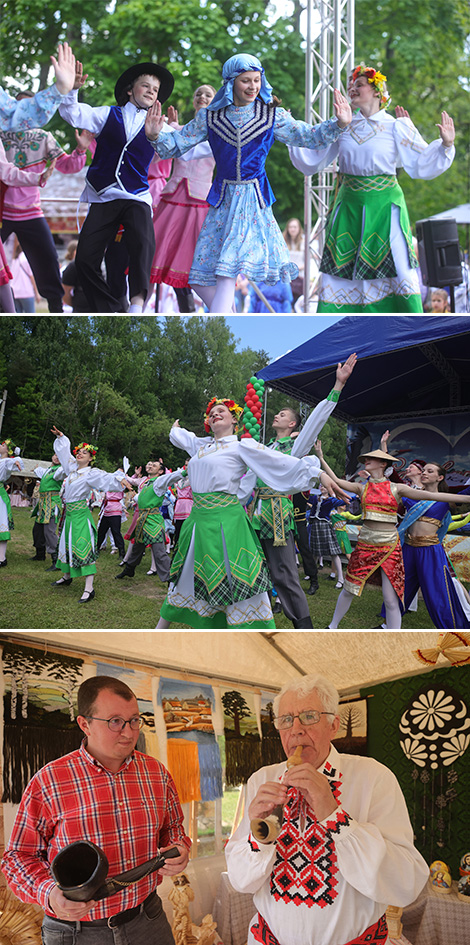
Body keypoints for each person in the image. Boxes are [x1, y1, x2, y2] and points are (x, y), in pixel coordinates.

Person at [225, 673, 428, 945]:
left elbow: (405, 884)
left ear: (334, 725)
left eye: (309, 716)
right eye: (286, 720)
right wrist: (259, 838)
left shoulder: (373, 777)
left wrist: (335, 816)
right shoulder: (261, 779)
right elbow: (240, 881)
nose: (296, 729)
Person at [145, 53, 352, 313]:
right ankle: (229, 315)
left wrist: (339, 123)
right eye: (246, 81)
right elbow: (177, 144)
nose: (253, 86)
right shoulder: (211, 116)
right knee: (197, 279)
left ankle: (222, 325)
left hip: (251, 199)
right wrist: (154, 136)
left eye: (256, 80)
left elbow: (307, 136)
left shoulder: (271, 115)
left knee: (225, 273)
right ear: (231, 82)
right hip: (222, 200)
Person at [2, 674, 190, 945]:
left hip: (148, 921)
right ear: (85, 724)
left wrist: (178, 848)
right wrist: (50, 893)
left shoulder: (156, 774)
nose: (128, 732)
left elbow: (173, 830)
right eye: (115, 721)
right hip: (76, 932)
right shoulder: (49, 781)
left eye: (135, 720)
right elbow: (17, 858)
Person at [154, 398, 346, 629]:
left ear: (234, 419)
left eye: (221, 411)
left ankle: (257, 632)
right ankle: (161, 631)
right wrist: (175, 429)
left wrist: (318, 474)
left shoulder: (241, 446)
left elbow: (279, 462)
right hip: (198, 522)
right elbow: (184, 438)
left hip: (227, 522)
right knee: (186, 576)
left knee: (237, 579)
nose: (215, 414)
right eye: (211, 413)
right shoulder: (202, 448)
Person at [289, 64, 456, 312]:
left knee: (400, 266)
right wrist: (292, 131)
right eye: (351, 86)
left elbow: (420, 161)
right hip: (349, 207)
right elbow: (314, 156)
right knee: (341, 268)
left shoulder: (396, 126)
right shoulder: (342, 125)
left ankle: (407, 323)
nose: (352, 89)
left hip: (386, 207)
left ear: (377, 91)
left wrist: (445, 145)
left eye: (359, 85)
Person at [245, 354, 356, 629]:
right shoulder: (265, 448)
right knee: (252, 569)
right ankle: (260, 619)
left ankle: (304, 628)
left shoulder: (294, 449)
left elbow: (316, 421)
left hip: (276, 515)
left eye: (282, 414)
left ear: (293, 425)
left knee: (284, 573)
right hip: (253, 515)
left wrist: (337, 386)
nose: (276, 415)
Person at [58, 60, 175, 312]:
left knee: (143, 242)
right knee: (85, 259)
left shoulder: (160, 127)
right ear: (130, 90)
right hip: (104, 196)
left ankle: (137, 302)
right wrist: (72, 90)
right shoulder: (106, 114)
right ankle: (111, 308)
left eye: (155, 89)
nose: (151, 91)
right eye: (145, 85)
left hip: (136, 197)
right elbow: (72, 113)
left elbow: (187, 149)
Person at [315, 444, 470, 629]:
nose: (366, 461)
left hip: (390, 547)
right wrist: (321, 457)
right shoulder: (361, 488)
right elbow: (336, 481)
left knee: (390, 599)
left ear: (382, 463)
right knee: (350, 589)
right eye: (365, 459)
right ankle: (332, 627)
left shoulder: (397, 489)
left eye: (370, 459)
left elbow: (437, 496)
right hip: (366, 544)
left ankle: (393, 635)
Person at [1, 109, 93, 313]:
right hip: (2, 211)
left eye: (29, 108)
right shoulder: (1, 134)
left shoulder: (43, 137)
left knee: (48, 260)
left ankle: (56, 312)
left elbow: (67, 165)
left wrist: (80, 150)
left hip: (31, 211)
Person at [149, 84, 216, 312]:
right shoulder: (179, 129)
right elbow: (160, 152)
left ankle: (208, 311)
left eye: (208, 94)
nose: (202, 97)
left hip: (200, 200)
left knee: (194, 263)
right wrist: (166, 128)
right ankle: (134, 308)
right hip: (173, 196)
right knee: (154, 257)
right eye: (198, 93)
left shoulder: (220, 132)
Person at [50, 426, 134, 602]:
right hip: (70, 516)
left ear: (90, 458)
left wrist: (120, 479)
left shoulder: (90, 474)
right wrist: (62, 438)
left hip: (80, 515)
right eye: (78, 452)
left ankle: (89, 589)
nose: (79, 454)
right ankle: (67, 576)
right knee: (66, 544)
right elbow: (65, 457)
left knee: (83, 547)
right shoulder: (72, 470)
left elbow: (106, 477)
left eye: (84, 453)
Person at [115, 458, 170, 583]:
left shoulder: (160, 482)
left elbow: (170, 479)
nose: (150, 466)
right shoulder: (145, 482)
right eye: (149, 464)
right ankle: (129, 569)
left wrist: (184, 472)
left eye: (153, 465)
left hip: (153, 519)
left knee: (158, 550)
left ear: (160, 471)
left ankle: (170, 578)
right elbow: (137, 492)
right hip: (142, 517)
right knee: (137, 546)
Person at [31, 451, 65, 570]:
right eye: (56, 455)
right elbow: (39, 470)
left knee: (49, 532)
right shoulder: (47, 470)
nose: (57, 457)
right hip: (43, 503)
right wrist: (35, 468)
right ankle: (40, 554)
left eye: (60, 457)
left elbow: (62, 472)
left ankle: (57, 560)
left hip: (52, 503)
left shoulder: (60, 471)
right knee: (37, 529)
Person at [0, 438, 24, 565]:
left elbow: (17, 462)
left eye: (3, 445)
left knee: (1, 524)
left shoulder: (6, 461)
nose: (0, 445)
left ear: (8, 450)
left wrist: (16, 461)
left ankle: (2, 558)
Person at [282, 217, 305, 304]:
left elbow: (308, 262)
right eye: (291, 227)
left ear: (299, 228)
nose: (292, 229)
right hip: (287, 279)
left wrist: (296, 268)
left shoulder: (304, 243)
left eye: (295, 227)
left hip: (300, 279)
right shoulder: (283, 243)